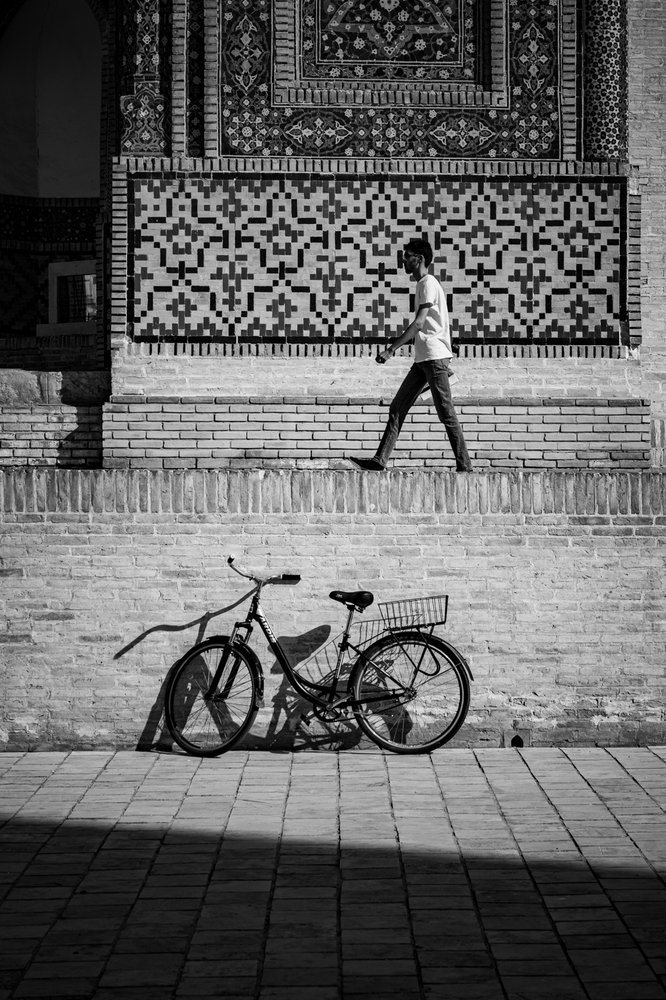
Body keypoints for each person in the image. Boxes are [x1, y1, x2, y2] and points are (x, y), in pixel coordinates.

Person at [349, 238, 472, 473]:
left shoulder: (427, 283)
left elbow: (418, 324)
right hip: (423, 359)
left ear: (420, 259)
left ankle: (464, 465)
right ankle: (379, 460)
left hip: (434, 360)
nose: (403, 260)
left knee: (446, 412)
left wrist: (391, 349)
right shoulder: (424, 284)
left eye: (407, 256)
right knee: (397, 407)